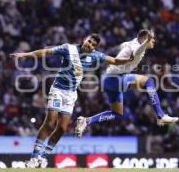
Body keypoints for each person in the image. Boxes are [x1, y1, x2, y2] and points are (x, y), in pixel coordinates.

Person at [10, 33, 134, 168]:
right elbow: (46, 52)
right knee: (50, 122)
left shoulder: (95, 56)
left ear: (95, 47)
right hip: (58, 89)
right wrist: (25, 55)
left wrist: (128, 60)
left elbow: (115, 61)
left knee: (62, 128)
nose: (90, 44)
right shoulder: (68, 48)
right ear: (84, 39)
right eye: (89, 41)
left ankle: (43, 157)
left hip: (71, 94)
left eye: (93, 44)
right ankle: (34, 158)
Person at [75, 29, 179, 138]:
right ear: (145, 39)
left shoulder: (130, 43)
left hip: (108, 80)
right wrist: (145, 43)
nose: (154, 41)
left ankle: (86, 121)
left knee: (117, 113)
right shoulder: (137, 47)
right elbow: (137, 52)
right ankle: (160, 115)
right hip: (116, 79)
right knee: (149, 81)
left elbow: (118, 48)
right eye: (152, 39)